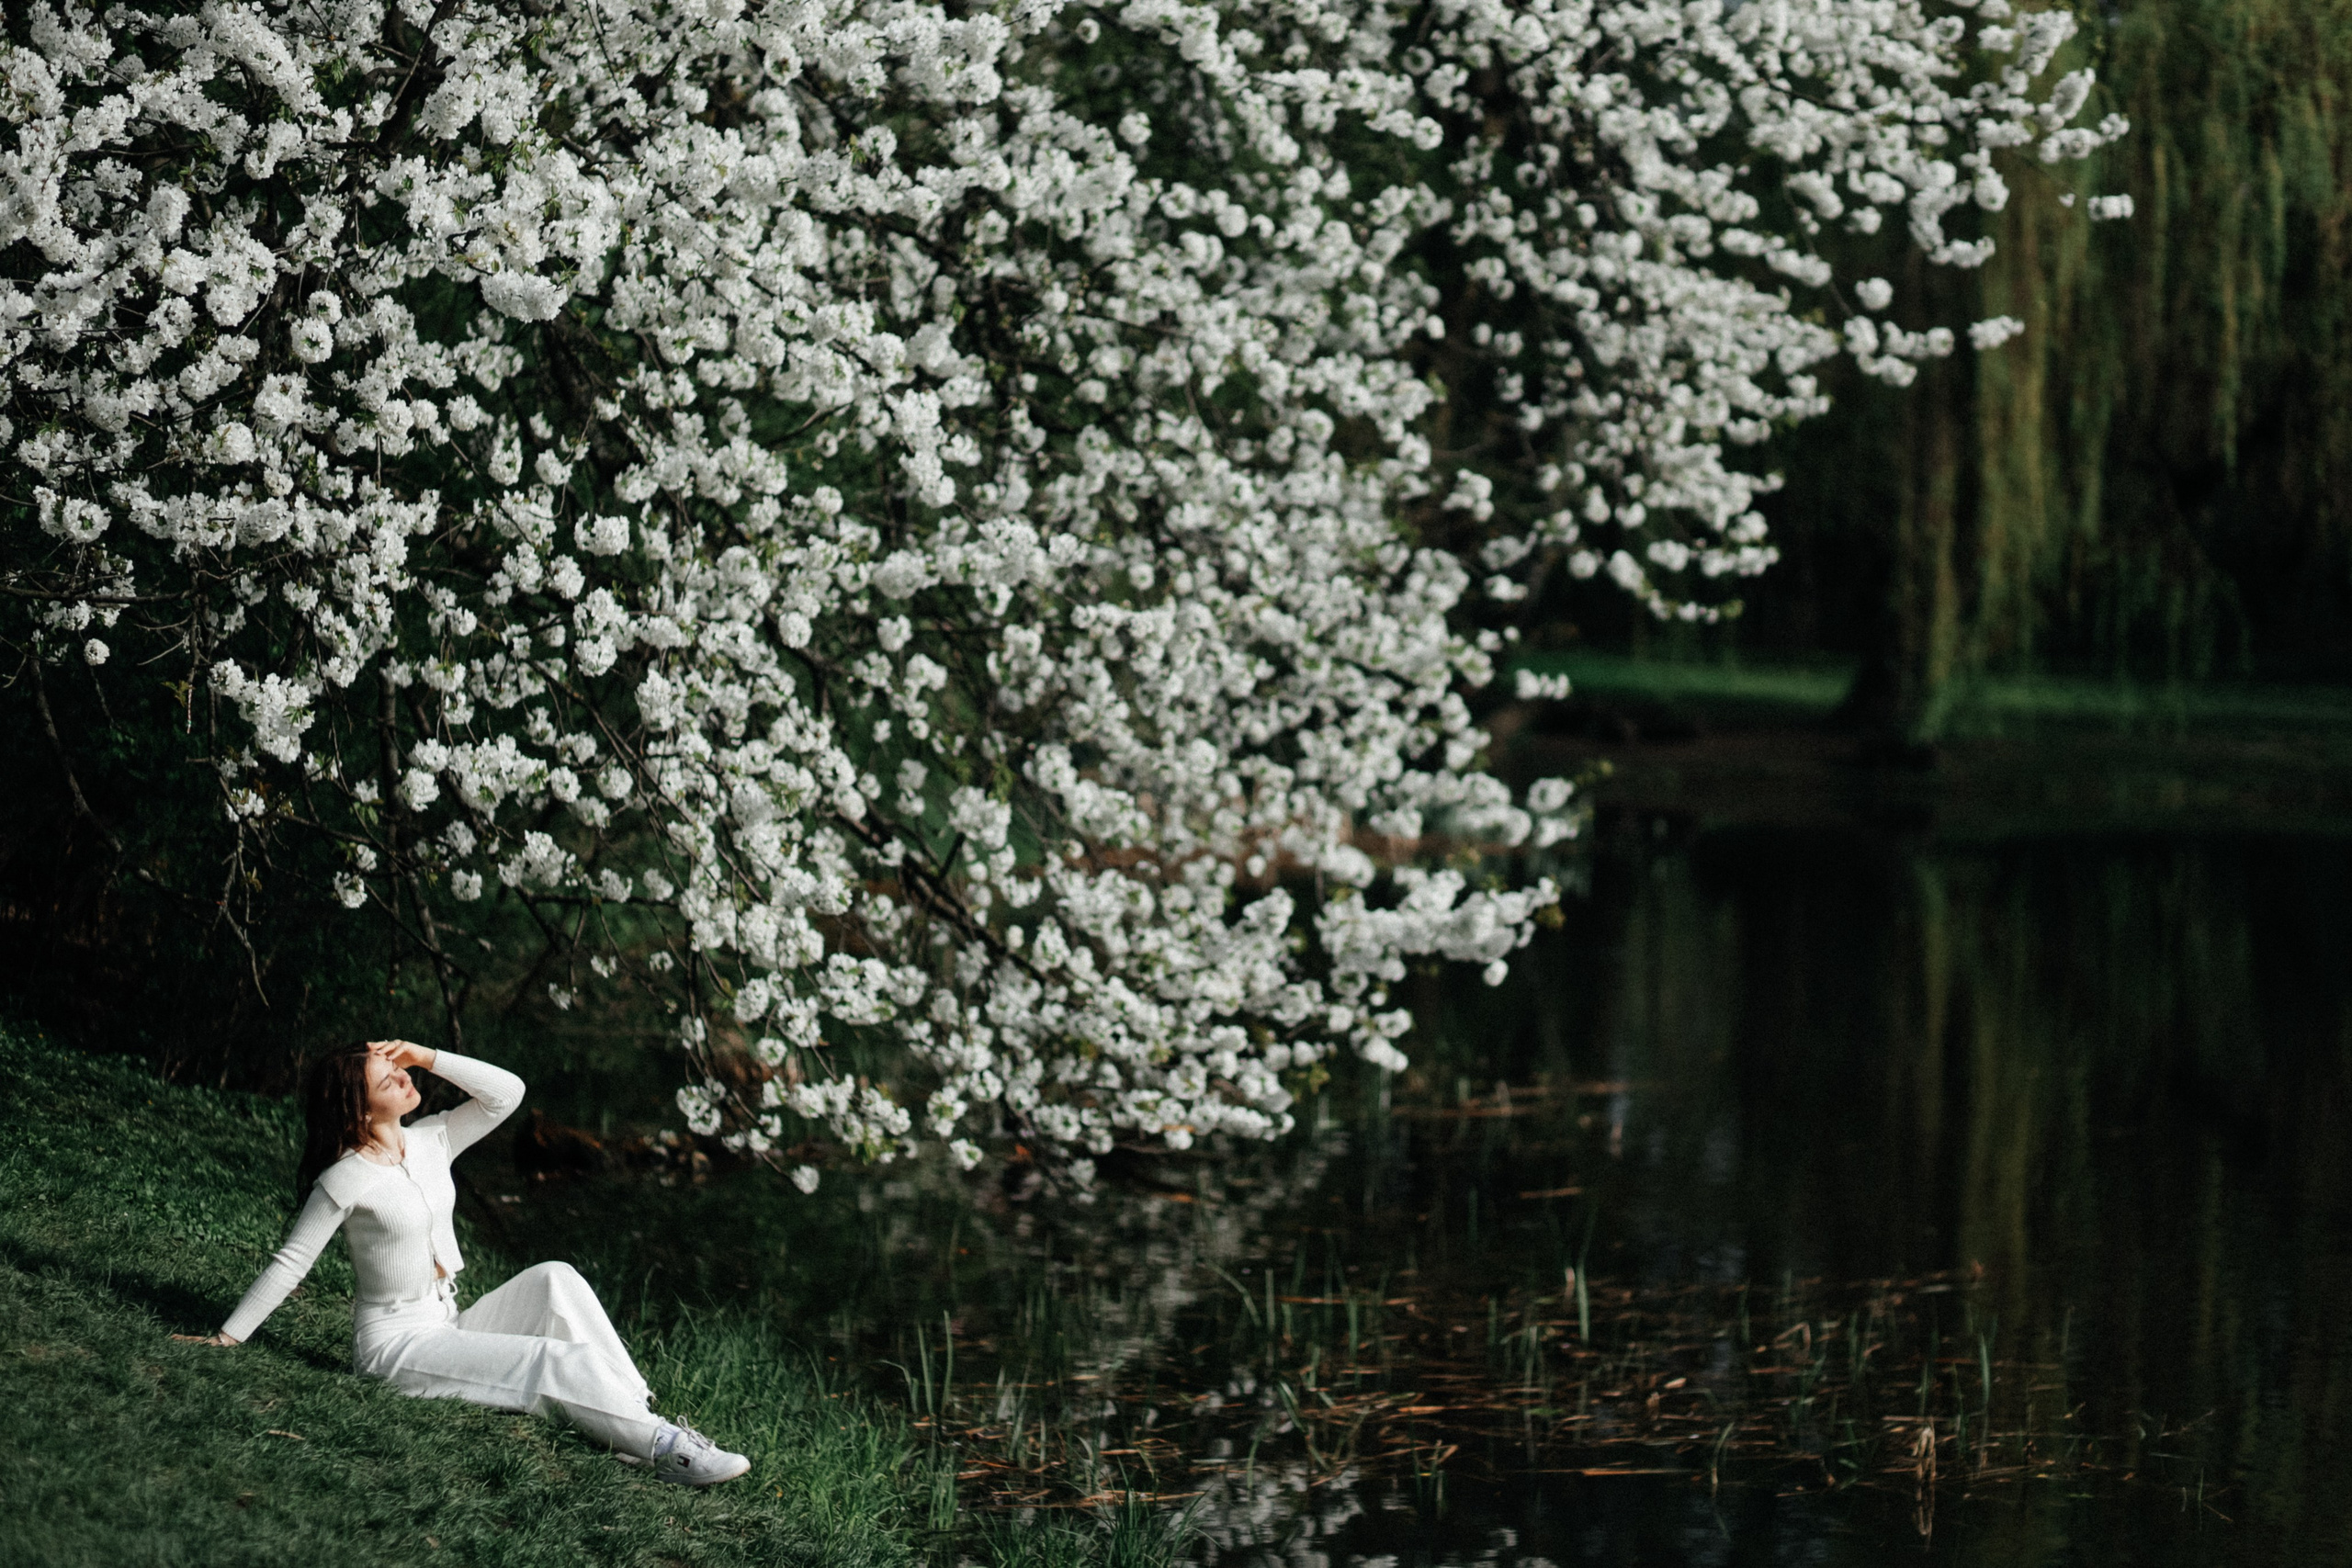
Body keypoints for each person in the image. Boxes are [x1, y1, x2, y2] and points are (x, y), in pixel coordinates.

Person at [175, 1039, 748, 1485]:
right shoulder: (345, 1177)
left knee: (556, 1278)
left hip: (446, 1320)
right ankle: (665, 1449)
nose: (404, 1076)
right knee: (546, 1361)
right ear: (356, 1105)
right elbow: (291, 1261)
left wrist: (428, 1055)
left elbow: (508, 1093)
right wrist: (228, 1338)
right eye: (388, 1076)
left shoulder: (432, 1139)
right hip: (394, 1349)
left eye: (400, 1067)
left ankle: (636, 1415)